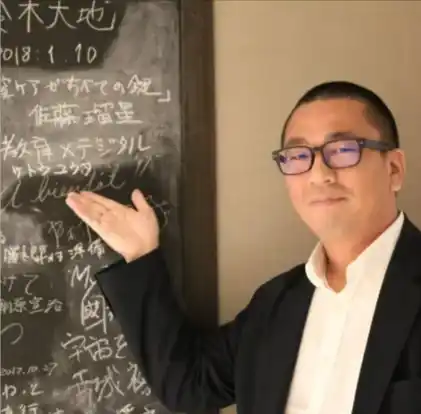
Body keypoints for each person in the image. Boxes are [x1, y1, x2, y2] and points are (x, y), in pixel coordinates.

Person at [65, 81, 421, 414]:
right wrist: (141, 253)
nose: (318, 174)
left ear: (394, 169)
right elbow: (190, 384)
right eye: (298, 155)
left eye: (342, 150)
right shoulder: (276, 304)